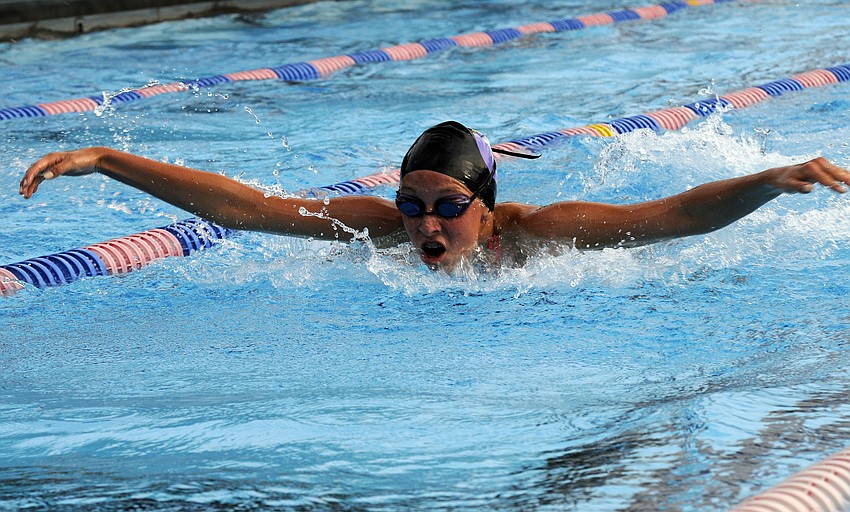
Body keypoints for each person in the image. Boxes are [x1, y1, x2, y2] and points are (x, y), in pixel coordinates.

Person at [18, 120, 850, 271]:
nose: (425, 223)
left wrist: (770, 180)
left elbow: (672, 218)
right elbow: (244, 207)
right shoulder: (380, 232)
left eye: (448, 206)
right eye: (413, 204)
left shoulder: (539, 235)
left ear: (486, 207)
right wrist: (107, 159)